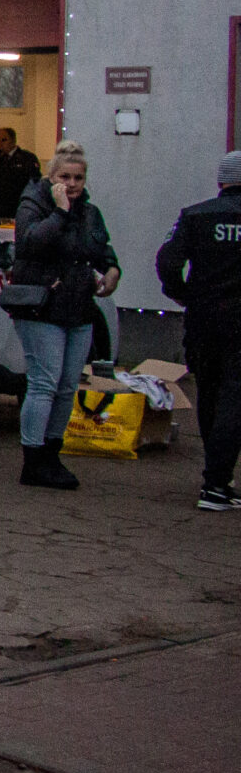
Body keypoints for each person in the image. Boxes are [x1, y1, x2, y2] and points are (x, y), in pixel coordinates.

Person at [9, 141, 118, 491]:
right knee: (44, 383)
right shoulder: (33, 204)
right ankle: (33, 459)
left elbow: (101, 249)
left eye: (78, 178)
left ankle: (52, 452)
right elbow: (30, 243)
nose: (71, 184)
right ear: (51, 176)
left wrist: (112, 270)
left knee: (68, 385)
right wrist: (60, 212)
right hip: (42, 307)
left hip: (79, 308)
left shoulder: (90, 212)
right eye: (64, 177)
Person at [156, 151, 241, 511]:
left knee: (209, 392)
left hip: (203, 319)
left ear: (221, 181)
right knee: (235, 398)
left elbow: (167, 261)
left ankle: (217, 479)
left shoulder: (196, 215)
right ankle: (217, 484)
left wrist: (183, 294)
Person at [0, 128, 42, 224]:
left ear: (13, 140)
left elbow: (35, 182)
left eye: (4, 140)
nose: (0, 144)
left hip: (16, 207)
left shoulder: (26, 158)